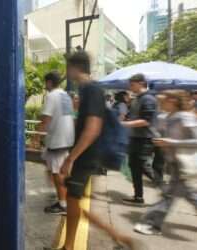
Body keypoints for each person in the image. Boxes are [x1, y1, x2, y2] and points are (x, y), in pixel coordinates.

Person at [45, 51, 139, 250]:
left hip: (86, 156)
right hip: (85, 155)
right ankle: (117, 238)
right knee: (73, 200)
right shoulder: (86, 90)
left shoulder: (92, 89)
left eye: (68, 67)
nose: (66, 71)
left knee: (73, 199)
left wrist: (71, 158)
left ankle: (70, 246)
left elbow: (93, 129)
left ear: (75, 67)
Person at [134, 90, 197, 235]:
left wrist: (171, 141)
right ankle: (152, 224)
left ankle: (152, 224)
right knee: (188, 194)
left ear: (173, 100)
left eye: (162, 101)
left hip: (184, 163)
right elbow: (161, 135)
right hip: (174, 163)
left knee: (169, 196)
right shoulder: (164, 117)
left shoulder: (186, 117)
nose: (159, 103)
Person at [38, 71, 75, 215]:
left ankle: (63, 204)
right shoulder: (65, 95)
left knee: (57, 173)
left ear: (48, 82)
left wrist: (36, 136)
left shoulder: (52, 95)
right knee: (53, 167)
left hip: (57, 140)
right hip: (66, 138)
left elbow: (46, 118)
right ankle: (62, 196)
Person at [122, 74, 158, 206]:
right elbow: (133, 117)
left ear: (141, 83)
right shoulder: (137, 98)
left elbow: (146, 121)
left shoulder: (148, 99)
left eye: (132, 84)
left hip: (145, 139)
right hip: (135, 137)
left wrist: (125, 124)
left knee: (144, 167)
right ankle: (138, 197)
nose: (130, 87)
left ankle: (167, 190)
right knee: (134, 167)